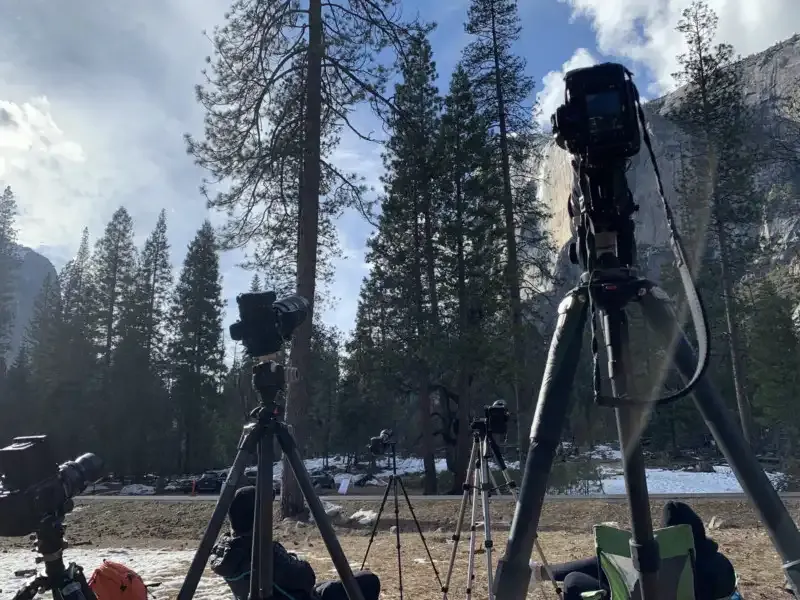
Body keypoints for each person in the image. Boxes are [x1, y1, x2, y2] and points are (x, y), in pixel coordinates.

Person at [531, 501, 737, 600]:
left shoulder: (657, 564)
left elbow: (600, 567)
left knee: (574, 580)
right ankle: (541, 572)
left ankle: (540, 572)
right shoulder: (721, 565)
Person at [211, 485, 381, 600]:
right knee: (368, 580)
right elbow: (307, 577)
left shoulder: (225, 550)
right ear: (257, 518)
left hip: (284, 593)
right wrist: (293, 559)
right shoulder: (263, 553)